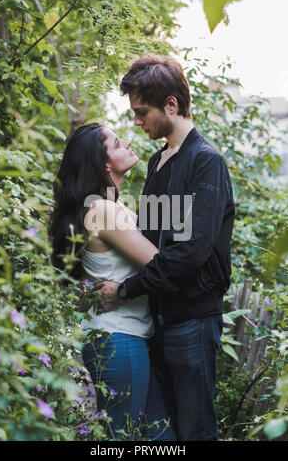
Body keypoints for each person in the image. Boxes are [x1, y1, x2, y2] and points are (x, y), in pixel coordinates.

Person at [94, 54, 236, 441]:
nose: (137, 122)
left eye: (142, 112)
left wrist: (125, 291)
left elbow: (190, 253)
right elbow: (148, 239)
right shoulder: (158, 162)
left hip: (192, 320)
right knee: (164, 431)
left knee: (194, 430)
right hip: (156, 322)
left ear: (171, 105)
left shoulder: (206, 163)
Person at [48, 123, 175, 441]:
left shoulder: (110, 206)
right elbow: (161, 264)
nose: (128, 142)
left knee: (163, 437)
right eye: (118, 143)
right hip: (119, 340)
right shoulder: (102, 209)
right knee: (121, 440)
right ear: (104, 162)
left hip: (124, 339)